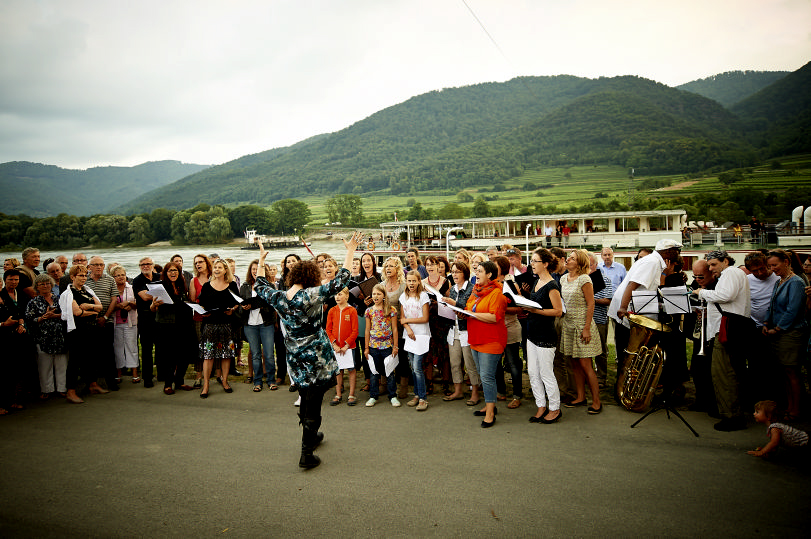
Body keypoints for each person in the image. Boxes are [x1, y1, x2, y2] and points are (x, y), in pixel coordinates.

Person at [254, 231, 364, 469]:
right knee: (314, 397)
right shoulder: (311, 295)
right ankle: (306, 452)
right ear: (311, 276)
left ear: (293, 276)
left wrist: (262, 261)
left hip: (294, 354)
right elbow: (341, 280)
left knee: (306, 393)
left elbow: (259, 285)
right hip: (316, 355)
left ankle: (311, 435)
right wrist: (350, 251)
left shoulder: (279, 297)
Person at [693, 250, 751, 432]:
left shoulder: (731, 273)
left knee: (724, 374)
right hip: (726, 329)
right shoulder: (731, 273)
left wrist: (702, 293)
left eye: (713, 265)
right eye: (709, 265)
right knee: (724, 373)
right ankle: (728, 411)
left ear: (725, 261)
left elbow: (725, 296)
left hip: (727, 330)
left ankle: (732, 417)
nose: (711, 269)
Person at [763, 249, 808, 421]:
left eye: (775, 265)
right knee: (785, 372)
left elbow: (793, 310)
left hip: (791, 333)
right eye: (770, 266)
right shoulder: (780, 281)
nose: (772, 269)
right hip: (779, 333)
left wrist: (779, 328)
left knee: (792, 372)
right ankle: (790, 407)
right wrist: (767, 323)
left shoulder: (795, 282)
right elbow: (772, 304)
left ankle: (796, 409)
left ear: (786, 262)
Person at [522, 248, 563, 423]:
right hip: (532, 331)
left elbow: (558, 311)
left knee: (546, 373)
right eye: (531, 261)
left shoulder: (552, 285)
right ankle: (541, 405)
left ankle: (555, 407)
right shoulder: (536, 281)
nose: (532, 264)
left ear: (545, 264)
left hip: (545, 333)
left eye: (535, 261)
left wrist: (534, 310)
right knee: (532, 372)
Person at [465, 260, 508, 428]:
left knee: (487, 376)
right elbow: (469, 309)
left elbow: (494, 317)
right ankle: (490, 405)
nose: (476, 273)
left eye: (480, 271)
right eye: (476, 270)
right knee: (484, 376)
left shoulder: (497, 293)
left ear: (489, 274)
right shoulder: (476, 291)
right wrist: (459, 310)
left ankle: (491, 413)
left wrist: (471, 315)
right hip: (476, 338)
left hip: (491, 340)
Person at [560, 250, 603, 414]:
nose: (568, 260)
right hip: (569, 324)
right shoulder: (564, 278)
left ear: (579, 263)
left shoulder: (585, 279)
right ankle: (580, 396)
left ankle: (597, 401)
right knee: (575, 363)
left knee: (586, 365)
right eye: (569, 257)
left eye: (572, 258)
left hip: (582, 325)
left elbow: (591, 304)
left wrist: (586, 328)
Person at [58, 264, 109, 404]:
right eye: (80, 275)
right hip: (76, 331)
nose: (84, 278)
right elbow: (77, 313)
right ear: (72, 277)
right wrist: (92, 311)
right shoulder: (68, 294)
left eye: (85, 275)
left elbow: (100, 307)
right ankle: (71, 391)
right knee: (75, 360)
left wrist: (90, 307)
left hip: (90, 329)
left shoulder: (87, 290)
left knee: (91, 357)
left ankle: (92, 384)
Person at [150, 262, 196, 395]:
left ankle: (180, 381)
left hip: (183, 325)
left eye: (175, 270)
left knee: (184, 354)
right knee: (169, 356)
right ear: (165, 273)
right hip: (166, 326)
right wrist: (153, 304)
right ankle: (168, 384)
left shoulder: (182, 285)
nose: (173, 273)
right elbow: (153, 309)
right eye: (170, 271)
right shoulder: (160, 287)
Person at [744, 252, 781, 404]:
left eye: (762, 269)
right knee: (756, 365)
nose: (760, 273)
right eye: (755, 271)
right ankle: (758, 399)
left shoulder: (778, 278)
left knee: (775, 365)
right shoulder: (747, 280)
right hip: (755, 328)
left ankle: (776, 398)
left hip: (775, 328)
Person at [442, 260, 480, 404]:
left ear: (465, 272)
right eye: (452, 272)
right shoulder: (452, 289)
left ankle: (474, 392)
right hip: (454, 329)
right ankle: (458, 390)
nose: (455, 274)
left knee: (470, 364)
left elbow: (469, 308)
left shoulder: (471, 288)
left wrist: (454, 304)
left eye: (457, 271)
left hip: (467, 330)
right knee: (455, 362)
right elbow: (452, 307)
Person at [25, 273, 67, 400]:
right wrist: (42, 318)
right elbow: (29, 319)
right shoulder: (33, 302)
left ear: (52, 284)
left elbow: (67, 315)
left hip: (59, 336)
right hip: (42, 337)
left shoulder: (59, 298)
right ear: (37, 286)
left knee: (62, 365)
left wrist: (55, 316)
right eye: (42, 284)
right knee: (44, 366)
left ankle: (61, 389)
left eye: (48, 283)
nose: (45, 286)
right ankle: (46, 390)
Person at [240, 259, 277, 392]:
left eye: (258, 269)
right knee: (255, 354)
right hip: (250, 324)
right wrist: (244, 307)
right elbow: (239, 305)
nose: (255, 271)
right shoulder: (244, 286)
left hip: (266, 323)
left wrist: (261, 306)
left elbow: (273, 306)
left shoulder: (270, 286)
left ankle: (271, 380)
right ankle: (257, 381)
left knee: (268, 354)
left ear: (263, 271)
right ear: (250, 271)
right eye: (253, 269)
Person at [493, 256, 524, 409]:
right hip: (495, 330)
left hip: (510, 328)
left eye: (494, 265)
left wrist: (501, 309)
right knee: (496, 363)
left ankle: (517, 395)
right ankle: (501, 391)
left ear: (502, 268)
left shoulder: (510, 284)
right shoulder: (490, 284)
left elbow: (519, 308)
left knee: (513, 363)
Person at [85, 256, 119, 391]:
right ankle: (91, 382)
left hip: (107, 321)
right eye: (96, 265)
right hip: (88, 322)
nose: (99, 267)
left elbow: (114, 300)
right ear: (89, 267)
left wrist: (105, 317)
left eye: (101, 264)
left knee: (108, 352)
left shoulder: (110, 280)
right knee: (91, 353)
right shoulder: (84, 280)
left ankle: (111, 381)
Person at [1, 269, 32, 411]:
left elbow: (23, 313)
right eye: (10, 280)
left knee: (21, 368)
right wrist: (4, 324)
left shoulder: (21, 295)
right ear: (4, 280)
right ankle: (6, 402)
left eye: (16, 280)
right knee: (7, 370)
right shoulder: (1, 295)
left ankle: (17, 399)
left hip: (21, 336)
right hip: (5, 337)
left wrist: (21, 323)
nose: (13, 282)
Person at [364, 284, 399, 407]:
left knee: (389, 372)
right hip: (373, 346)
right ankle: (373, 396)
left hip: (387, 346)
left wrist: (395, 346)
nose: (376, 296)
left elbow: (394, 328)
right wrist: (366, 348)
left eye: (379, 294)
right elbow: (367, 330)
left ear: (384, 295)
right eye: (374, 294)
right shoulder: (369, 311)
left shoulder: (391, 310)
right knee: (374, 373)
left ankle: (393, 395)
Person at [400, 272, 431, 411]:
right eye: (409, 281)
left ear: (419, 281)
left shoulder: (423, 296)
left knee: (418, 367)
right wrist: (408, 328)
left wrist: (408, 320)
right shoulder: (403, 296)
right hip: (409, 336)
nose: (411, 283)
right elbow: (402, 318)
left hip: (421, 335)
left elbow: (425, 318)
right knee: (413, 367)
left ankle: (423, 398)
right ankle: (417, 395)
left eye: (414, 281)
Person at [381, 256, 410, 399]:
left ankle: (403, 386)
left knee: (402, 356)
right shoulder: (381, 285)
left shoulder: (403, 286)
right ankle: (384, 384)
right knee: (384, 355)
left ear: (398, 268)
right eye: (386, 266)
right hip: (383, 327)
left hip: (400, 326)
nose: (388, 268)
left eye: (391, 266)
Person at [422, 255, 451, 395]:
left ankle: (446, 383)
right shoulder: (422, 283)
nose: (430, 267)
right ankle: (429, 383)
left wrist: (440, 303)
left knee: (444, 353)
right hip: (428, 321)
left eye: (433, 264)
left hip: (442, 321)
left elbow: (450, 301)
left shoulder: (446, 282)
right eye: (427, 264)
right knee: (428, 353)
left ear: (438, 266)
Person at [107, 265, 139, 384]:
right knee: (118, 348)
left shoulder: (131, 288)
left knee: (132, 347)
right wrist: (117, 306)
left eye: (123, 275)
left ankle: (135, 373)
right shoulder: (111, 289)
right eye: (118, 275)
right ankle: (118, 373)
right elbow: (107, 305)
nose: (121, 277)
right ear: (113, 277)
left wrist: (129, 303)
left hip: (130, 322)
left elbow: (137, 304)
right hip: (116, 322)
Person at [327, 288, 358, 405]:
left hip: (349, 348)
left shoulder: (352, 310)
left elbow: (355, 331)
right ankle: (338, 394)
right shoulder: (332, 311)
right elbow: (328, 330)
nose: (337, 297)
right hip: (336, 348)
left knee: (351, 369)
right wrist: (334, 344)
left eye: (340, 294)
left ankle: (351, 394)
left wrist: (346, 345)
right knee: (338, 371)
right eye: (335, 295)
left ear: (347, 296)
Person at [132, 257, 160, 387]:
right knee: (147, 348)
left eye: (148, 264)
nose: (145, 266)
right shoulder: (137, 280)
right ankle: (147, 377)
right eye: (142, 264)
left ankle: (162, 373)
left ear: (152, 265)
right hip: (145, 318)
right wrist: (160, 294)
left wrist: (152, 294)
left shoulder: (160, 276)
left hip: (160, 317)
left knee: (161, 347)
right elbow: (143, 296)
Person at [188, 254, 213, 388]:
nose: (198, 264)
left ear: (207, 263)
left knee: (214, 346)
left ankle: (217, 374)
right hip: (198, 318)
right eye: (196, 262)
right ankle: (199, 376)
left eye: (201, 262)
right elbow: (192, 299)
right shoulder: (194, 280)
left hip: (213, 317)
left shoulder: (214, 277)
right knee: (200, 346)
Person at [589, 253, 613, 389]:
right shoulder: (580, 279)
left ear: (596, 265)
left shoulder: (604, 279)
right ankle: (589, 375)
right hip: (583, 319)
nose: (588, 267)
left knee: (600, 350)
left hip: (599, 319)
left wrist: (591, 300)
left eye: (590, 265)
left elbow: (608, 300)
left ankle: (601, 377)